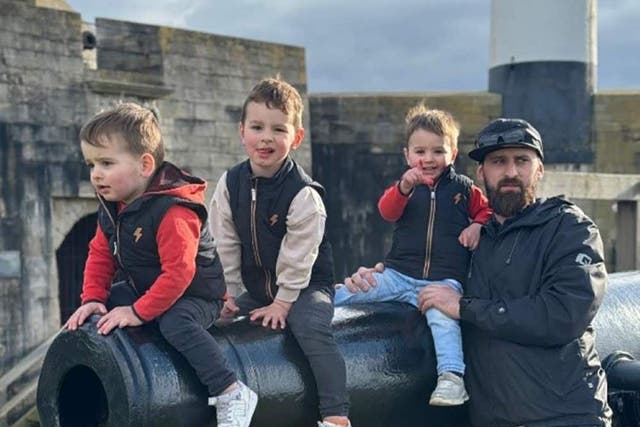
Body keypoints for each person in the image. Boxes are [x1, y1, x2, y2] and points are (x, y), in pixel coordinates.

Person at [348, 118, 613, 426]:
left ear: (539, 170)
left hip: (565, 417)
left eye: (522, 161)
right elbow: (421, 277)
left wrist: (463, 307)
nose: (511, 172)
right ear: (481, 172)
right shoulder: (467, 241)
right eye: (499, 161)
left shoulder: (570, 229)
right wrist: (379, 276)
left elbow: (564, 314)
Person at [64, 103, 257, 427]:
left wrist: (138, 312)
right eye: (91, 163)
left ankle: (230, 389)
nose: (96, 173)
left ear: (145, 164)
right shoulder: (112, 207)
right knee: (104, 309)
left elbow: (180, 273)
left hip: (197, 295)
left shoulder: (173, 210)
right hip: (151, 288)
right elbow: (100, 254)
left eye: (107, 163)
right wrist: (93, 299)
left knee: (175, 323)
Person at [209, 77, 351, 427]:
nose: (266, 137)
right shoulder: (230, 184)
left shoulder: (303, 195)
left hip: (305, 288)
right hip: (259, 290)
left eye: (278, 129)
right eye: (257, 127)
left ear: (296, 137)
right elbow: (223, 242)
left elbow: (298, 257)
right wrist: (224, 294)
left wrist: (284, 302)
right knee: (208, 318)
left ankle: (336, 415)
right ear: (242, 132)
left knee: (311, 329)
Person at [335, 104, 491, 406]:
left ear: (453, 154)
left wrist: (477, 225)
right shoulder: (405, 188)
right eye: (420, 152)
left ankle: (451, 378)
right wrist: (404, 187)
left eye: (438, 151)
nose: (428, 159)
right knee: (350, 294)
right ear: (408, 155)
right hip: (398, 274)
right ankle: (310, 310)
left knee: (443, 321)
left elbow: (487, 210)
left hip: (444, 282)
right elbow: (386, 211)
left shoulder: (465, 189)